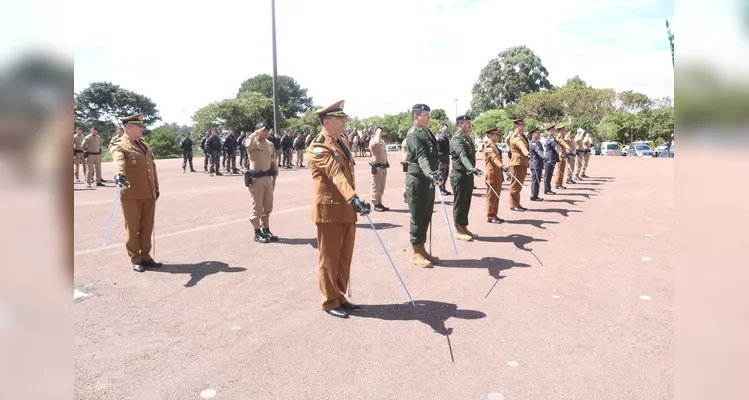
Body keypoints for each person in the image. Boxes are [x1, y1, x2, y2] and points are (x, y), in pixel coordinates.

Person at [307, 100, 371, 318]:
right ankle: (329, 300)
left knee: (344, 256)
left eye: (344, 118)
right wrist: (353, 197)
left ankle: (339, 295)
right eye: (340, 119)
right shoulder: (319, 146)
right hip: (329, 211)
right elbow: (335, 174)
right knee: (329, 258)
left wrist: (355, 200)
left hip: (346, 209)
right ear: (327, 121)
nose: (344, 122)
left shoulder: (341, 141)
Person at [110, 114, 162, 272]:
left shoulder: (143, 144)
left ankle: (146, 256)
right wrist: (119, 175)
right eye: (139, 126)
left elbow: (151, 167)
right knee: (133, 227)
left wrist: (156, 186)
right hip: (131, 194)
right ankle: (135, 258)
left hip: (149, 192)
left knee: (147, 226)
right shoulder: (120, 145)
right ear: (129, 127)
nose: (142, 129)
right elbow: (118, 161)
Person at [404, 104, 442, 268]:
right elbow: (421, 157)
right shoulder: (413, 133)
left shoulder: (426, 131)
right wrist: (429, 173)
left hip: (427, 179)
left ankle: (422, 249)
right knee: (418, 216)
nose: (428, 117)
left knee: (426, 215)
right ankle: (415, 252)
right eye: (424, 114)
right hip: (418, 179)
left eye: (428, 114)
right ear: (415, 117)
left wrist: (434, 173)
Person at [244, 122, 279, 243]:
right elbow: (247, 145)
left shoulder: (269, 144)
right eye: (263, 130)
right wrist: (255, 132)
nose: (266, 132)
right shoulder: (253, 142)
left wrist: (275, 176)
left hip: (267, 178)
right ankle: (257, 232)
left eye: (267, 130)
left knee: (267, 206)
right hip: (256, 179)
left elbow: (273, 160)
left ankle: (266, 229)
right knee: (257, 206)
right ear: (257, 130)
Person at [449, 115, 481, 241]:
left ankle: (463, 227)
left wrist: (471, 169)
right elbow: (463, 156)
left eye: (469, 122)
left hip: (467, 174)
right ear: (459, 125)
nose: (469, 125)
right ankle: (458, 229)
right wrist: (471, 168)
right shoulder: (457, 139)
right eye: (467, 123)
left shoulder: (467, 137)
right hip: (459, 174)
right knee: (459, 203)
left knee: (466, 202)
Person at [484, 127, 508, 224]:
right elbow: (494, 159)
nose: (497, 136)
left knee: (496, 196)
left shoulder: (495, 146)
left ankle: (494, 214)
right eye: (495, 134)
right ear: (490, 135)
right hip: (492, 175)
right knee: (491, 197)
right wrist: (502, 166)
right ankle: (490, 216)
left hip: (497, 174)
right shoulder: (489, 147)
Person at [508, 118, 530, 211]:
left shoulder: (522, 136)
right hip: (517, 163)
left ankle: (517, 203)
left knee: (519, 185)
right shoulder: (516, 137)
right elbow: (521, 145)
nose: (522, 127)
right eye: (520, 125)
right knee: (515, 185)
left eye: (523, 125)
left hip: (522, 163)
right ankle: (513, 205)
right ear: (516, 126)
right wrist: (527, 153)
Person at [368, 126, 390, 211]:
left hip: (383, 166)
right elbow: (376, 142)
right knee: (376, 186)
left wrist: (386, 162)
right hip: (377, 166)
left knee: (381, 186)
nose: (381, 132)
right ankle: (375, 203)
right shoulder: (373, 140)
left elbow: (384, 152)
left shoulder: (382, 141)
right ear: (374, 132)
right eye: (379, 131)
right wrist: (377, 132)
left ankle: (379, 202)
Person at [543, 124, 561, 195]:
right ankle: (547, 189)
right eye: (553, 131)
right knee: (548, 175)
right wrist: (560, 152)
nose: (555, 132)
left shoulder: (552, 138)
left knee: (549, 175)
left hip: (552, 159)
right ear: (550, 131)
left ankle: (548, 189)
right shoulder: (551, 139)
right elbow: (555, 146)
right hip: (549, 159)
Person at [528, 128, 545, 201]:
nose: (539, 134)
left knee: (537, 180)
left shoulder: (537, 142)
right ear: (534, 134)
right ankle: (534, 196)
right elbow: (538, 151)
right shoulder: (534, 143)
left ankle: (535, 195)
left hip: (538, 164)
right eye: (538, 133)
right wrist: (544, 157)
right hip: (535, 164)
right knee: (536, 180)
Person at [435, 122, 452, 195]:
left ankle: (443, 188)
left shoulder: (444, 135)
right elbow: (440, 140)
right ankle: (441, 189)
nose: (446, 130)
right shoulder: (439, 135)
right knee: (442, 173)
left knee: (445, 173)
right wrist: (443, 131)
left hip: (445, 157)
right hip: (441, 158)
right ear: (441, 127)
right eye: (445, 128)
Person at [554, 125, 570, 190]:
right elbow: (563, 143)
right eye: (563, 130)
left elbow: (565, 141)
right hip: (560, 156)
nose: (564, 131)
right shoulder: (559, 138)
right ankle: (557, 184)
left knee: (562, 170)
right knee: (559, 170)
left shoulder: (562, 137)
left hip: (563, 156)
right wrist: (569, 148)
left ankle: (560, 183)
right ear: (560, 131)